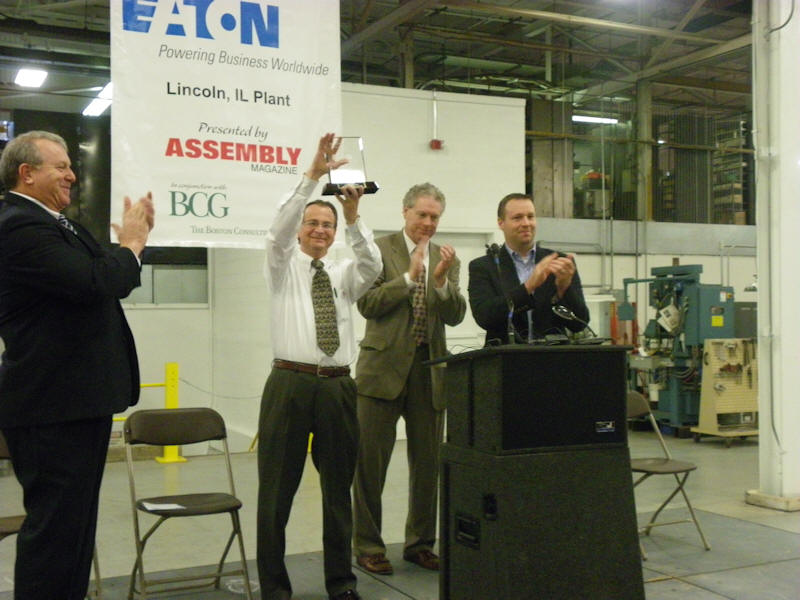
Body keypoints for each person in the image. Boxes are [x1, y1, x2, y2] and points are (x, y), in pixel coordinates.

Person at [0, 130, 153, 600]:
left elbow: (107, 271)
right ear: (26, 173)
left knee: (73, 533)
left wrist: (126, 248)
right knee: (55, 536)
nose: (72, 175)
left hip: (75, 404)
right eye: (61, 166)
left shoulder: (57, 225)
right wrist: (131, 244)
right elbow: (97, 280)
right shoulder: (18, 225)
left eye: (70, 165)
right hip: (53, 407)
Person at [257, 133, 382, 600]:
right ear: (300, 229)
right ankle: (274, 588)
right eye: (312, 223)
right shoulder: (281, 265)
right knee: (276, 493)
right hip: (289, 384)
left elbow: (373, 266)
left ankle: (341, 584)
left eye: (327, 225)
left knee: (337, 492)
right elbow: (277, 231)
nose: (319, 231)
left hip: (337, 388)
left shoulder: (343, 272)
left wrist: (352, 217)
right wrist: (312, 176)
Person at [352, 182, 466, 575]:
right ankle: (368, 546)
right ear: (405, 212)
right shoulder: (378, 249)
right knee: (369, 465)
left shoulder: (447, 258)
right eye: (422, 214)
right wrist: (408, 278)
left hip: (429, 371)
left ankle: (420, 544)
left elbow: (455, 315)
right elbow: (367, 303)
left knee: (428, 466)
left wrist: (440, 282)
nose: (429, 223)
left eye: (435, 216)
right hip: (381, 372)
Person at [468, 193, 589, 346]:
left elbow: (580, 324)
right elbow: (484, 317)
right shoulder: (484, 266)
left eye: (530, 217)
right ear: (501, 223)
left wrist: (563, 289)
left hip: (553, 357)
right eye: (517, 218)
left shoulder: (559, 262)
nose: (526, 223)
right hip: (506, 357)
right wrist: (528, 286)